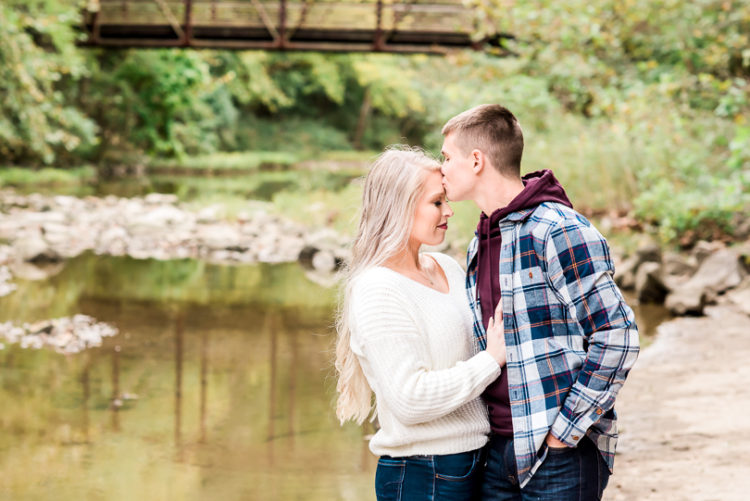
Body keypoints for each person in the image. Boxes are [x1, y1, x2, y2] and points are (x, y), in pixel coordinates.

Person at [439, 104, 640, 500]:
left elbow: (617, 335)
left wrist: (564, 432)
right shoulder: (481, 240)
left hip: (560, 453)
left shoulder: (558, 230)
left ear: (476, 160)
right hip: (496, 452)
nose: (440, 168)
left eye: (446, 157)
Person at [335, 146, 508, 501]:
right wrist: (492, 360)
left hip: (479, 463)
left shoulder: (447, 267)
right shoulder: (377, 288)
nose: (449, 211)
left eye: (445, 200)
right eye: (436, 202)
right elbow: (410, 399)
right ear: (399, 207)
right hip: (422, 476)